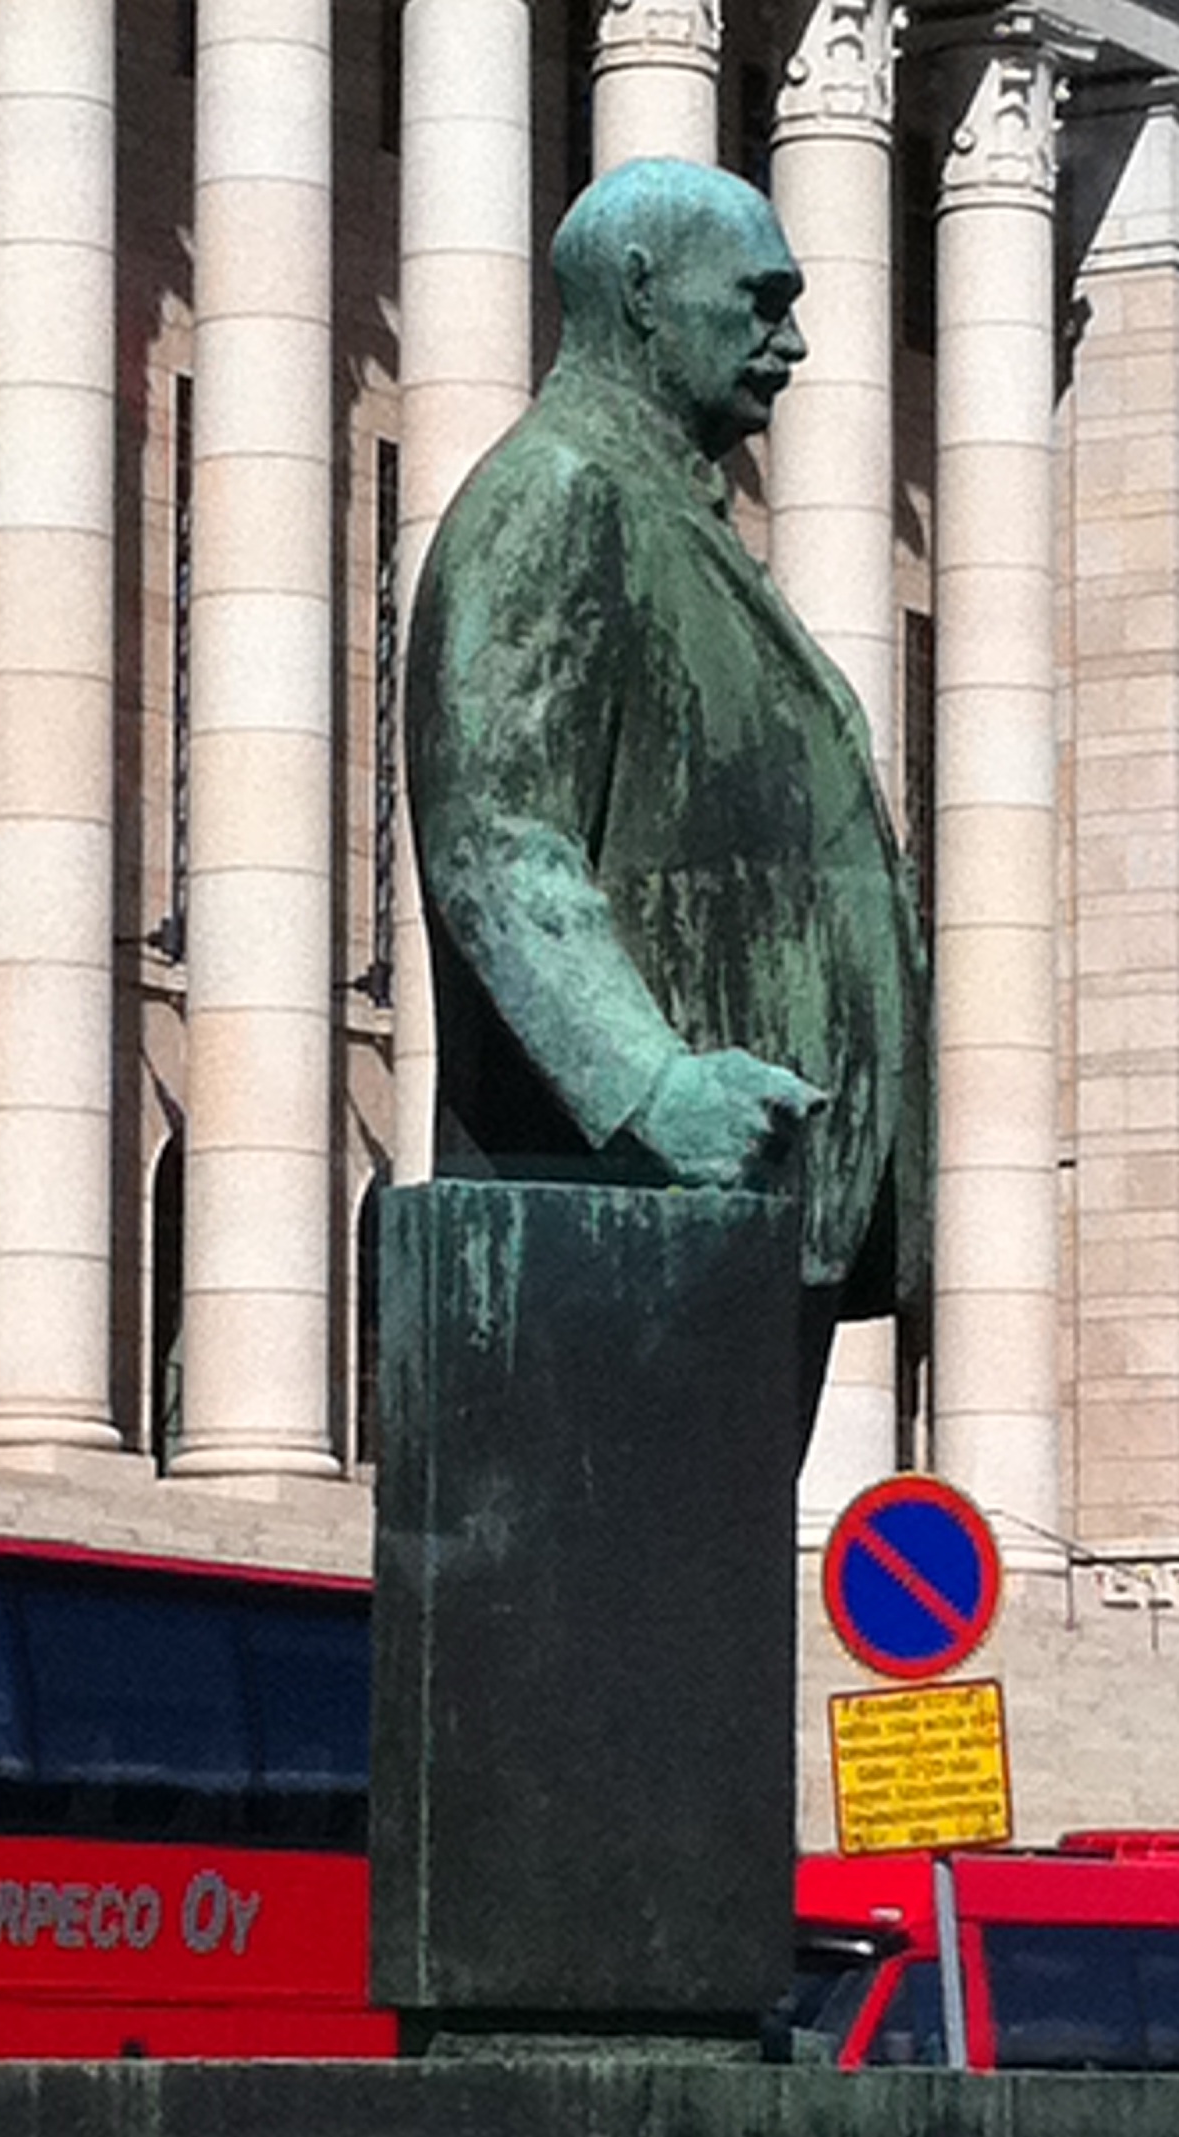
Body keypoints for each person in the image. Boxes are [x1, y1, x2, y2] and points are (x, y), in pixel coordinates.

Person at [407, 154, 928, 1449]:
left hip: (726, 1215)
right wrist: (649, 1089)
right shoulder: (558, 496)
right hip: (626, 1207)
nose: (791, 342)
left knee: (693, 1629)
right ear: (641, 295)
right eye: (758, 301)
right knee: (627, 1614)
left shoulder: (661, 513)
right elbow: (497, 836)